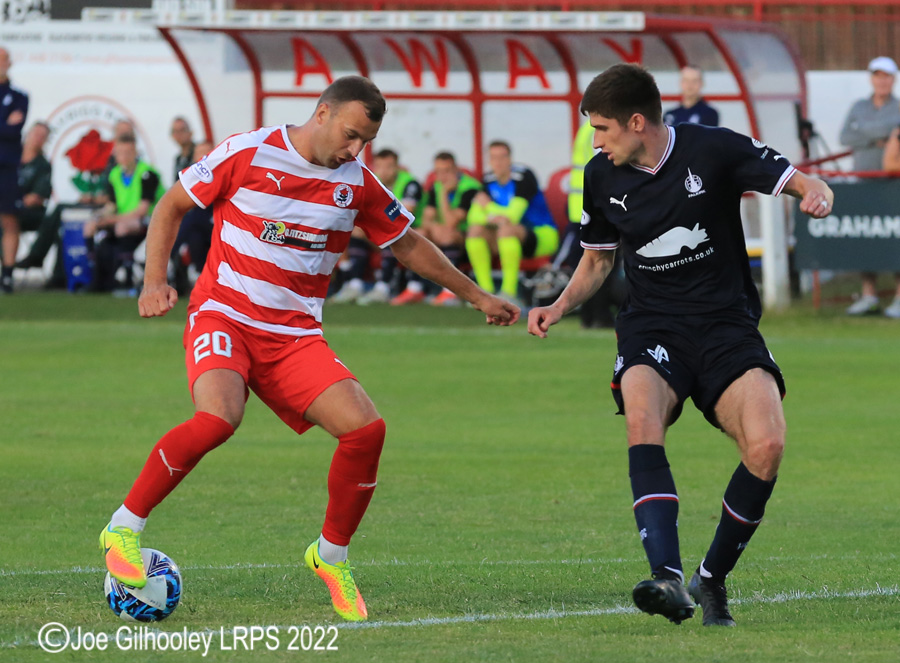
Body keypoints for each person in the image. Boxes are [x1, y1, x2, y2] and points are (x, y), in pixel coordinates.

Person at [98, 76, 519, 623]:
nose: (354, 149)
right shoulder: (249, 151)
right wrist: (155, 280)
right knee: (219, 416)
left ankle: (330, 556)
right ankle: (122, 528)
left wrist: (478, 296)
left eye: (364, 141)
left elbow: (409, 245)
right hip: (224, 312)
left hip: (293, 335)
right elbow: (171, 206)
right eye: (349, 134)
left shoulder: (357, 184)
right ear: (321, 113)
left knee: (365, 430)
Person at [528, 64, 834, 627]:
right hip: (652, 325)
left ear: (637, 122)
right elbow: (597, 259)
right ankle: (667, 576)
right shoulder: (601, 177)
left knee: (766, 446)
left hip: (725, 325)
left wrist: (815, 190)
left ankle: (711, 579)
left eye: (602, 129)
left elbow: (795, 179)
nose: (595, 142)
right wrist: (558, 306)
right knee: (642, 421)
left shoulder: (713, 149)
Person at [840, 56, 900, 317]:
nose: (882, 80)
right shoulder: (859, 105)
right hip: (862, 180)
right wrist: (882, 134)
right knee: (864, 239)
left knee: (894, 239)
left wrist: (864, 132)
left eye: (886, 76)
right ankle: (869, 295)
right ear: (871, 78)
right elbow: (845, 136)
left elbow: (860, 133)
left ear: (893, 79)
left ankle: (898, 296)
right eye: (878, 75)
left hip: (891, 183)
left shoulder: (898, 107)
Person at [465, 141, 559, 303]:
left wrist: (488, 207)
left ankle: (509, 293)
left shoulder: (524, 177)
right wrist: (494, 217)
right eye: (494, 157)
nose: (498, 162)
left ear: (510, 159)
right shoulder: (488, 180)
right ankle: (484, 293)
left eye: (502, 157)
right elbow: (473, 217)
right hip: (505, 239)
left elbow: (512, 216)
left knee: (506, 229)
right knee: (475, 230)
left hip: (542, 235)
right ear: (489, 160)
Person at [331, 148, 425, 304]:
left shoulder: (410, 183)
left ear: (397, 167)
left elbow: (403, 215)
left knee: (392, 231)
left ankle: (384, 287)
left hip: (409, 233)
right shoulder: (370, 181)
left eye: (389, 166)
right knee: (355, 231)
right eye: (380, 166)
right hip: (381, 230)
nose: (384, 171)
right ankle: (354, 283)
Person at [391, 151, 481, 306]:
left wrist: (444, 193)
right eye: (438, 172)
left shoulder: (470, 187)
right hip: (442, 235)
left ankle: (451, 291)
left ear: (456, 170)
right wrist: (435, 228)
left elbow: (452, 222)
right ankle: (415, 288)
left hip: (470, 239)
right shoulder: (436, 186)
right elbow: (427, 219)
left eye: (446, 171)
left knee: (447, 234)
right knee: (418, 233)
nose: (442, 176)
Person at [83, 133, 165, 292]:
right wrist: (101, 216)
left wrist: (112, 219)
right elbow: (112, 205)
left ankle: (126, 277)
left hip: (150, 221)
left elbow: (142, 210)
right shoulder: (114, 174)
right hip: (122, 219)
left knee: (122, 227)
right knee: (90, 226)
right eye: (120, 153)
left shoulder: (147, 174)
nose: (124, 157)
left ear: (136, 153)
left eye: (128, 153)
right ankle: (96, 277)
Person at [0, 46, 29, 293]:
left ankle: (7, 274)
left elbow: (14, 131)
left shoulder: (19, 96)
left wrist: (7, 127)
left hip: (7, 167)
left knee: (9, 219)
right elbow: (6, 128)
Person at [170, 139, 214, 294]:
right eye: (200, 154)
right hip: (200, 229)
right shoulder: (189, 179)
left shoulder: (221, 174)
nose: (204, 157)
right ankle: (201, 277)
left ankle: (169, 254)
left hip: (218, 224)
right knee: (194, 235)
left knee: (191, 220)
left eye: (207, 153)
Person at [8, 122, 52, 277]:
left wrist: (12, 203)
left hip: (29, 214)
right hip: (8, 210)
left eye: (42, 136)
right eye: (35, 133)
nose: (37, 138)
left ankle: (12, 269)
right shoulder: (10, 157)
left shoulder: (43, 165)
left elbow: (36, 197)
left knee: (9, 221)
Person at [170, 116, 195, 184]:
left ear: (190, 132)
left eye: (182, 130)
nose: (179, 135)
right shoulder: (178, 159)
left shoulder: (198, 153)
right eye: (175, 131)